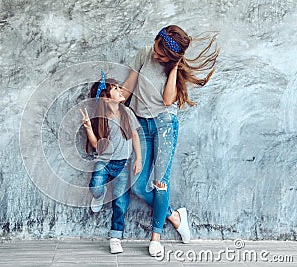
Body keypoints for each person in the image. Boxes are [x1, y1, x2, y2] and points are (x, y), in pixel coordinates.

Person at [121, 25, 219, 256]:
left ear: (173, 57)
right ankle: (175, 216)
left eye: (162, 55)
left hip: (164, 125)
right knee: (137, 185)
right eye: (156, 49)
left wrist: (174, 67)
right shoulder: (145, 53)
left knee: (160, 182)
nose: (156, 56)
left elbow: (167, 101)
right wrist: (112, 105)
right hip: (141, 125)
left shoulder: (174, 66)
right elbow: (128, 87)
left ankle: (156, 237)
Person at [79, 70, 142, 254]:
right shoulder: (101, 120)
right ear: (106, 98)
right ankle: (99, 195)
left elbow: (135, 135)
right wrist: (89, 128)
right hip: (105, 162)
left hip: (123, 164)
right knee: (96, 185)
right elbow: (96, 145)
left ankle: (116, 237)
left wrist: (138, 158)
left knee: (121, 202)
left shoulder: (127, 113)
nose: (120, 90)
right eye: (115, 88)